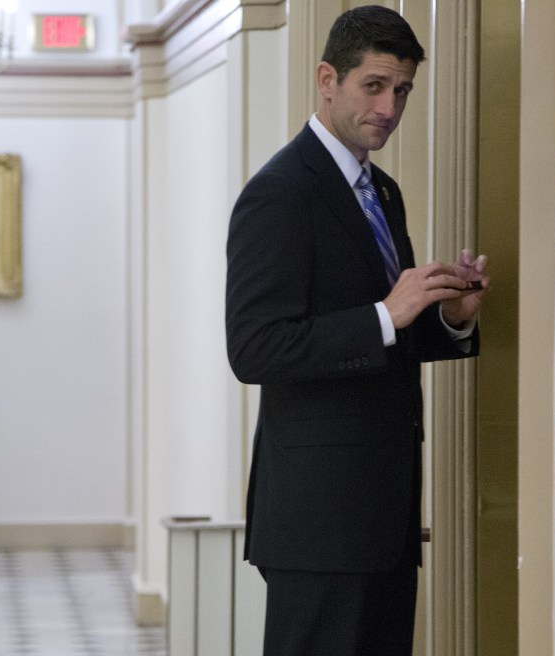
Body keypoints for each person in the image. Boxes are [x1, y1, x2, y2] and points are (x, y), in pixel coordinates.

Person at [225, 5, 488, 655]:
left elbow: (387, 341)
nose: (390, 107)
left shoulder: (384, 193)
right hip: (318, 528)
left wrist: (449, 317)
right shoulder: (280, 193)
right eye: (373, 86)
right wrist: (385, 314)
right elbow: (253, 348)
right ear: (327, 80)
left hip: (384, 520)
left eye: (402, 90)